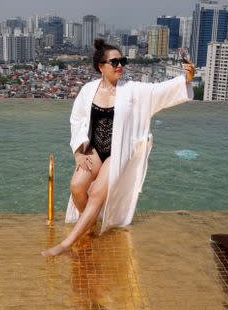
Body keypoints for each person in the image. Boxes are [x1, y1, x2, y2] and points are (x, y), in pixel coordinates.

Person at [42, 38, 195, 257]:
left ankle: (67, 244)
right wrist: (78, 153)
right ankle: (88, 225)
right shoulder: (88, 90)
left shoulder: (133, 90)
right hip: (94, 149)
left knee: (95, 193)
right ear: (101, 67)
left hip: (118, 152)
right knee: (76, 186)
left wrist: (187, 77)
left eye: (122, 60)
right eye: (114, 62)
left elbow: (161, 90)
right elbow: (76, 120)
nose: (120, 65)